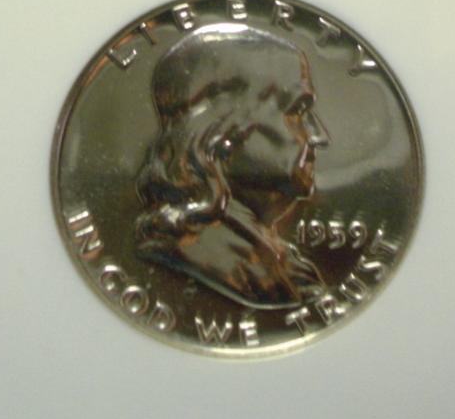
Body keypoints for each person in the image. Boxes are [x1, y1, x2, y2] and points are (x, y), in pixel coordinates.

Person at [135, 22, 331, 309]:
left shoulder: (276, 264)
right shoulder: (218, 261)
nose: (320, 136)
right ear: (223, 135)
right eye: (298, 110)